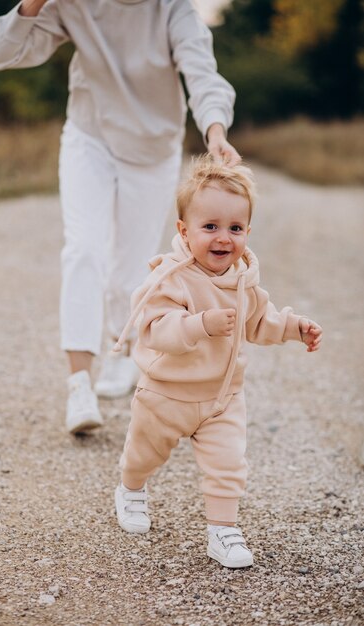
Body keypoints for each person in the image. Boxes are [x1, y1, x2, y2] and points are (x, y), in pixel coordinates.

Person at [0, 0, 241, 434]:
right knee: (82, 248)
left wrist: (215, 130)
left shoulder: (171, 9)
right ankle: (78, 382)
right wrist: (30, 6)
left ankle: (123, 349)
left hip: (152, 149)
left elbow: (202, 74)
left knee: (129, 269)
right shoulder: (73, 4)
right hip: (90, 137)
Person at [113, 155, 322, 569]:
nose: (223, 238)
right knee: (144, 455)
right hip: (165, 395)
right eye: (209, 227)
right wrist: (198, 324)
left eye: (235, 228)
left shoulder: (243, 280)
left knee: (229, 464)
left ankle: (222, 529)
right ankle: (130, 489)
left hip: (221, 398)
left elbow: (261, 321)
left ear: (247, 232)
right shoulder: (169, 279)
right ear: (184, 232)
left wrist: (294, 327)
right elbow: (156, 330)